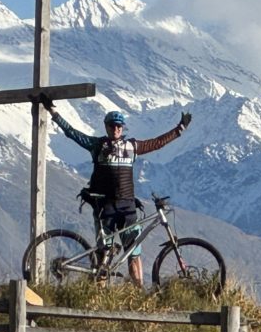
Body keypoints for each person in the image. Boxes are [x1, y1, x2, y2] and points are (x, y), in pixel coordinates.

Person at [42, 101, 191, 287]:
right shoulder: (97, 145)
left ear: (123, 128)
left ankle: (137, 294)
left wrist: (180, 129)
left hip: (127, 208)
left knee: (133, 253)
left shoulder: (132, 146)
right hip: (105, 207)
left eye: (119, 126)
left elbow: (157, 143)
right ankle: (98, 297)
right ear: (106, 126)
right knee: (104, 255)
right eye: (112, 125)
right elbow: (72, 133)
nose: (115, 129)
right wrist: (53, 112)